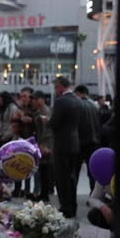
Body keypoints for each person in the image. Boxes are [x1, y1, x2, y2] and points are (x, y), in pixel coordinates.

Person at [45, 76, 82, 218]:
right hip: (74, 143)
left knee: (61, 178)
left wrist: (47, 121)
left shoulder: (61, 102)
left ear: (61, 86)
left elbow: (54, 123)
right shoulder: (78, 100)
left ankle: (65, 208)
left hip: (61, 144)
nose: (55, 90)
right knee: (72, 178)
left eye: (56, 87)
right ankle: (72, 206)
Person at [74, 85, 101, 193]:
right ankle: (93, 194)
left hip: (80, 143)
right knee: (92, 172)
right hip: (94, 142)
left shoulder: (78, 105)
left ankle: (72, 195)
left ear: (79, 93)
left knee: (75, 171)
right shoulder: (95, 105)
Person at [31, 91, 54, 202]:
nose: (33, 102)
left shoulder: (45, 111)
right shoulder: (40, 111)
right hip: (42, 143)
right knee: (42, 170)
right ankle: (43, 193)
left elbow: (47, 131)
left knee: (45, 170)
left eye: (35, 100)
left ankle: (45, 193)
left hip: (45, 145)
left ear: (41, 99)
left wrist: (44, 145)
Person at [13, 87, 35, 198]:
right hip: (21, 140)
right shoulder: (20, 108)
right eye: (22, 96)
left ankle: (29, 190)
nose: (24, 99)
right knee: (20, 165)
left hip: (32, 141)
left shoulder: (33, 109)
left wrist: (28, 119)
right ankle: (19, 189)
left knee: (30, 166)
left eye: (26, 96)